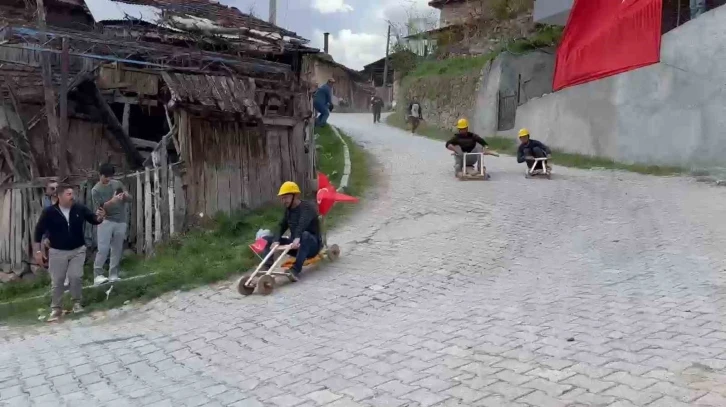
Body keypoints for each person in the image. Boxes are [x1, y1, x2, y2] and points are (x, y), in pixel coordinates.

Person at [33, 184, 105, 322]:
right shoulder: (49, 212)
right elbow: (38, 232)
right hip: (57, 252)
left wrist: (100, 217)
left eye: (72, 193)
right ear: (59, 196)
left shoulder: (79, 208)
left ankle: (77, 303)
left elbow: (93, 219)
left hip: (77, 250)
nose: (72, 197)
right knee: (58, 280)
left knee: (75, 276)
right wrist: (37, 251)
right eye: (68, 194)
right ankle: (56, 309)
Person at [260, 181, 322, 282]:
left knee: (305, 235)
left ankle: (295, 270)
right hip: (295, 245)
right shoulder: (288, 210)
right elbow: (281, 226)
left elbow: (302, 224)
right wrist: (276, 240)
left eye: (286, 197)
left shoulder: (308, 207)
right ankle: (266, 268)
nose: (283, 201)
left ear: (295, 195)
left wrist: (297, 237)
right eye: (282, 198)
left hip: (311, 246)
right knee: (266, 239)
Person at [91, 164, 132, 285]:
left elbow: (129, 198)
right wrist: (112, 201)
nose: (108, 179)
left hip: (121, 220)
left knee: (117, 249)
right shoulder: (96, 190)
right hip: (106, 221)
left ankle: (113, 275)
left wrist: (125, 196)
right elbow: (100, 209)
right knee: (103, 249)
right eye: (106, 177)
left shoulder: (117, 184)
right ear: (100, 175)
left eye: (110, 177)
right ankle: (97, 276)